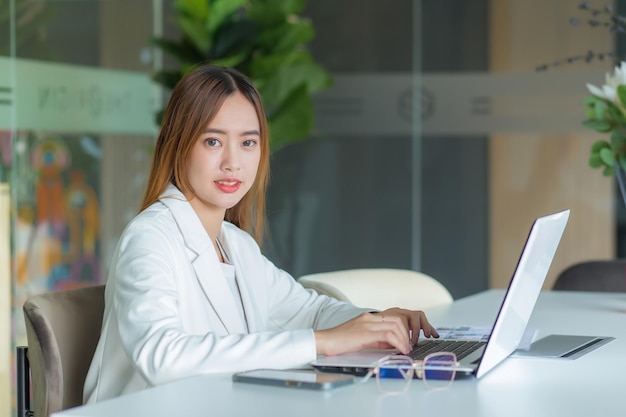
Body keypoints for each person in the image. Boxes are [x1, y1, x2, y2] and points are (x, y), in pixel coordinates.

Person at [83, 64, 439, 403]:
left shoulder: (235, 244)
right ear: (179, 144)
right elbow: (161, 356)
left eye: (248, 143)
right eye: (212, 141)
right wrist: (322, 343)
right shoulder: (150, 237)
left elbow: (308, 311)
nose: (233, 162)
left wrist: (376, 323)